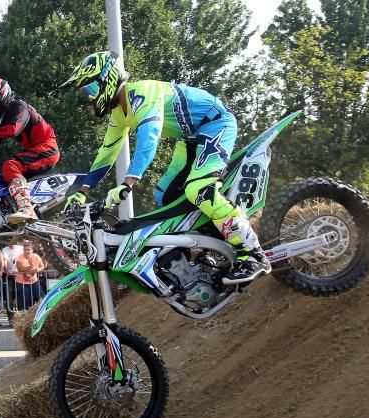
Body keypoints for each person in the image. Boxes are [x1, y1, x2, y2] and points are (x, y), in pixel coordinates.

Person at [60, 51, 269, 284]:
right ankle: (213, 244)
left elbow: (148, 138)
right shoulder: (119, 113)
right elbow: (106, 153)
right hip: (190, 138)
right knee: (165, 195)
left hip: (215, 125)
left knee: (199, 189)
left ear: (107, 80)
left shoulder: (141, 93)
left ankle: (253, 254)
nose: (89, 98)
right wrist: (82, 191)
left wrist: (128, 183)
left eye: (90, 90)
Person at [0, 76, 60, 224]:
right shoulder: (5, 117)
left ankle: (27, 208)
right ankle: (11, 209)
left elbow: (12, 131)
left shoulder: (19, 107)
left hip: (47, 148)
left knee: (10, 165)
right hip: (37, 150)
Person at [15, 240, 45, 310]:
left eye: (28, 250)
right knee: (23, 302)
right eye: (25, 250)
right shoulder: (20, 257)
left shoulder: (36, 257)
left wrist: (38, 270)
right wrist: (31, 268)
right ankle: (22, 318)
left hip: (34, 281)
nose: (27, 251)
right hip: (21, 283)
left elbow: (42, 266)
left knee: (41, 298)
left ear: (32, 250)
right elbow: (20, 269)